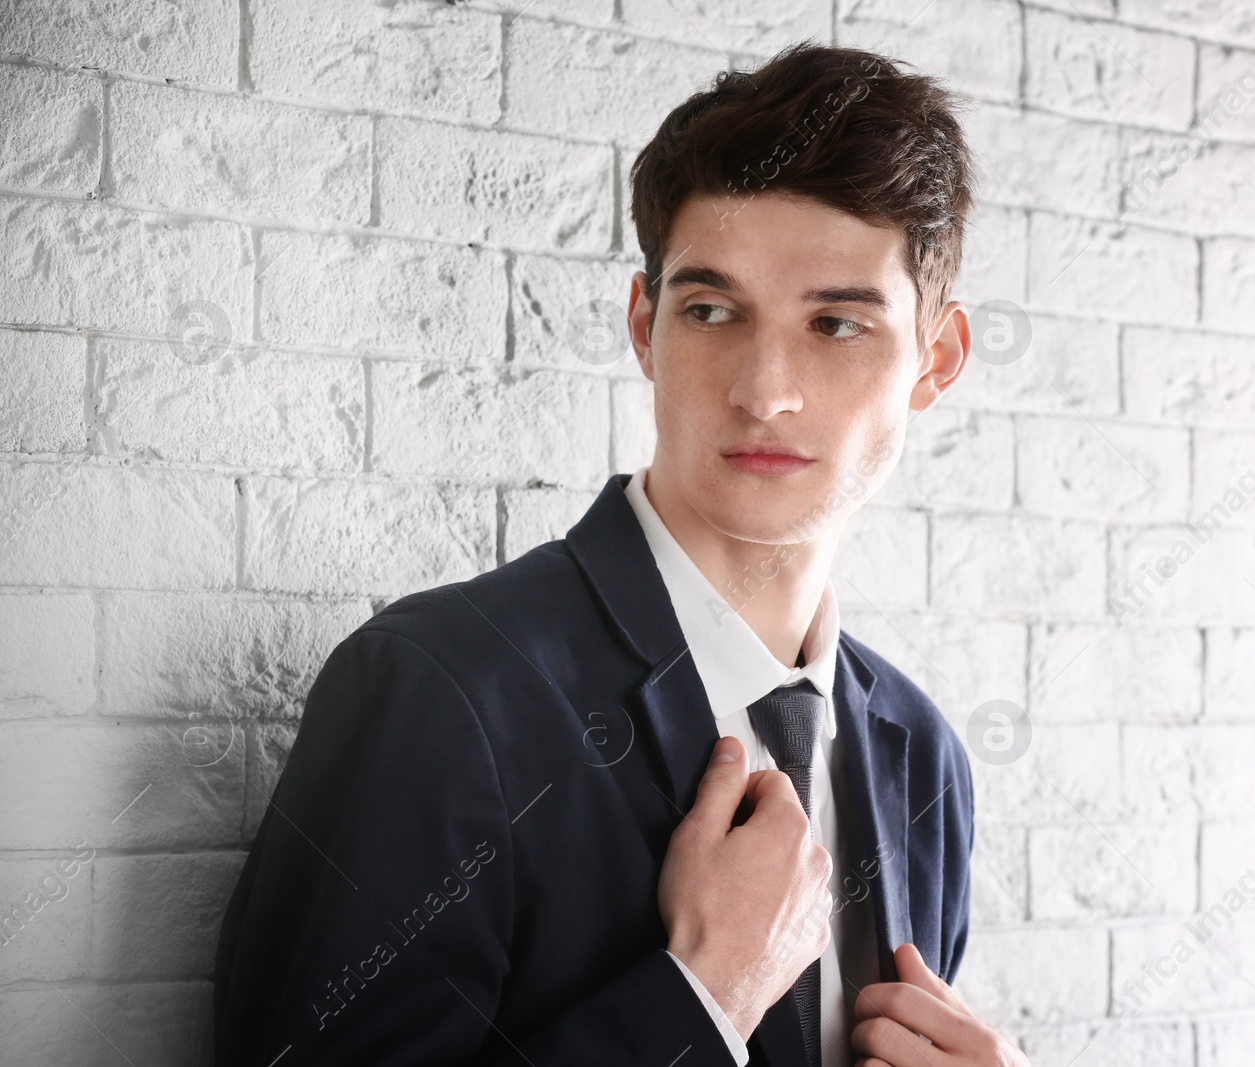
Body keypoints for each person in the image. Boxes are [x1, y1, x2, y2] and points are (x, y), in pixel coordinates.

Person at [214, 40, 1026, 1067]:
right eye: (713, 311)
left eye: (836, 324)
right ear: (646, 328)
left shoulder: (924, 756)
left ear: (936, 361)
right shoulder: (441, 691)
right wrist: (698, 1000)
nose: (765, 388)